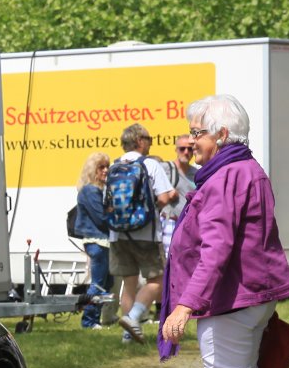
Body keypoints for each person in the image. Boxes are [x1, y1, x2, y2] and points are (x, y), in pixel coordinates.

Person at [159, 94, 289, 368]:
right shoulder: (248, 168)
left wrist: (185, 304)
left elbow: (215, 249)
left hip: (233, 300)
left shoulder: (225, 176)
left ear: (221, 134)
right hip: (251, 296)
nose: (191, 141)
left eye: (197, 132)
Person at [111, 123, 178, 344]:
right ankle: (133, 317)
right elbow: (165, 197)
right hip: (145, 234)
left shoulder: (114, 165)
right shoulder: (150, 164)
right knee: (157, 280)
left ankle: (127, 336)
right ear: (139, 141)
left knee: (129, 283)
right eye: (149, 138)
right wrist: (150, 212)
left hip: (118, 234)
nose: (150, 143)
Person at [72, 152, 113, 328]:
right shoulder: (90, 190)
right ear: (92, 170)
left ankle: (94, 319)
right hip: (97, 241)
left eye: (107, 166)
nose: (106, 170)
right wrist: (113, 211)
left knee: (106, 282)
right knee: (98, 284)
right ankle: (89, 320)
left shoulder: (99, 190)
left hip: (102, 241)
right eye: (101, 167)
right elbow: (101, 218)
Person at [161, 135, 197, 261]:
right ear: (176, 150)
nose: (186, 152)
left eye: (190, 149)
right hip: (170, 222)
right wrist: (166, 193)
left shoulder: (196, 173)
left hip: (189, 226)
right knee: (168, 262)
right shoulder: (165, 168)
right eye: (182, 149)